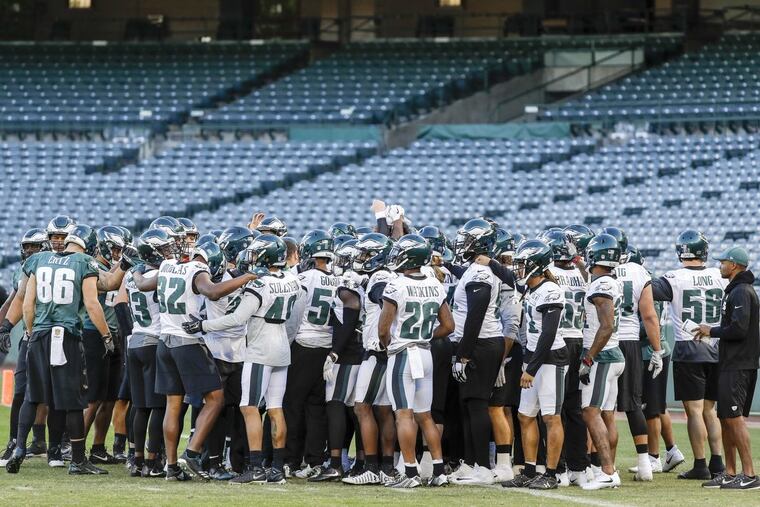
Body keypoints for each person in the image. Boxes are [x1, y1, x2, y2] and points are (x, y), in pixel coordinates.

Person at [184, 235, 299, 485]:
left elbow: (237, 319)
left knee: (248, 408)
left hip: (260, 349)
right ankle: (277, 469)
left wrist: (203, 324)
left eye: (258, 254)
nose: (253, 258)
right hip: (281, 347)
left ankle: (256, 468)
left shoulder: (259, 284)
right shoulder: (292, 279)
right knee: (276, 409)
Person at [8, 225, 117, 475]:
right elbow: (91, 303)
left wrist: (31, 331)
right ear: (88, 246)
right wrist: (106, 336)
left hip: (38, 334)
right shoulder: (83, 262)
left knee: (32, 396)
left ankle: (19, 450)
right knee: (73, 400)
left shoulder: (38, 259)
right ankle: (78, 460)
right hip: (64, 335)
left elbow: (28, 303)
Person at [154, 241, 253, 481]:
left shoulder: (166, 265)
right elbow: (213, 291)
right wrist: (248, 276)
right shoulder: (197, 271)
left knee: (173, 405)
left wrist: (134, 269)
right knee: (216, 399)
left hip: (164, 340)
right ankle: (192, 452)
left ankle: (171, 466)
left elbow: (144, 283)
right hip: (187, 341)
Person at [378, 234, 455, 488]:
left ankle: (410, 473)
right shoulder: (434, 283)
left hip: (403, 354)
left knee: (404, 415)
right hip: (425, 353)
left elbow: (383, 329)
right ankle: (439, 471)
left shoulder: (396, 284)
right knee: (425, 416)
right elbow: (449, 325)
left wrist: (392, 345)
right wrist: (425, 336)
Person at [651, 230, 727, 480]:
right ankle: (718, 463)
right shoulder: (720, 275)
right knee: (710, 410)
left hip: (689, 348)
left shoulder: (673, 277)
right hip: (716, 348)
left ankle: (701, 464)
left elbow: (647, 292)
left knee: (694, 412)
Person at [502, 240, 568, 490]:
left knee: (551, 417)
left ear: (536, 265)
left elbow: (548, 335)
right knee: (525, 416)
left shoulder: (550, 290)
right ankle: (530, 470)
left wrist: (531, 368)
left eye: (522, 264)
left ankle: (551, 474)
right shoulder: (531, 288)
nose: (518, 269)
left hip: (550, 359)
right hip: (533, 358)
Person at [696, 246, 760, 490]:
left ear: (734, 265)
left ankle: (750, 474)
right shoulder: (734, 290)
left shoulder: (742, 291)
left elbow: (739, 330)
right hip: (730, 363)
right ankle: (730, 472)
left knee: (733, 418)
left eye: (723, 262)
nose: (720, 265)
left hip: (739, 364)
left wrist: (710, 330)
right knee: (725, 417)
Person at [606, 227, 664, 482]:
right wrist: (658, 350)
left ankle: (604, 466)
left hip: (605, 341)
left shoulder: (598, 270)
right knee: (633, 405)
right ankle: (645, 464)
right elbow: (650, 316)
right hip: (630, 341)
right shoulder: (639, 271)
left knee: (602, 408)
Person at [449, 218, 504, 484]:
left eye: (467, 238)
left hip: (480, 344)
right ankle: (470, 463)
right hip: (475, 343)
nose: (461, 243)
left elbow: (476, 315)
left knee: (477, 405)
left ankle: (483, 466)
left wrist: (464, 354)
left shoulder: (482, 273)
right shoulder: (474, 269)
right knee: (468, 405)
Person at [281, 230, 337, 479]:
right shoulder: (339, 279)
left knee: (292, 405)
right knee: (316, 407)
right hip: (326, 346)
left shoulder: (303, 277)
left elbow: (293, 316)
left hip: (303, 344)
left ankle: (291, 459)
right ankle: (315, 459)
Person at [125, 229, 174, 477]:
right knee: (158, 406)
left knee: (140, 406)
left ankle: (137, 460)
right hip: (153, 341)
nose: (169, 252)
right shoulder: (161, 274)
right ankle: (153, 462)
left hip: (134, 341)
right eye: (164, 249)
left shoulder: (130, 276)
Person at [578, 233, 625, 490]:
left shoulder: (601, 286)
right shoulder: (608, 281)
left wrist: (588, 357)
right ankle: (608, 470)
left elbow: (606, 327)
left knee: (590, 411)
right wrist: (577, 262)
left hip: (603, 355)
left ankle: (607, 471)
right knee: (607, 415)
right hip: (615, 354)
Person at [545, 229, 590, 486]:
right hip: (579, 339)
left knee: (555, 409)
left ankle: (558, 467)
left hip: (559, 340)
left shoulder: (550, 274)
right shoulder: (580, 274)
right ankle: (579, 466)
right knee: (574, 408)